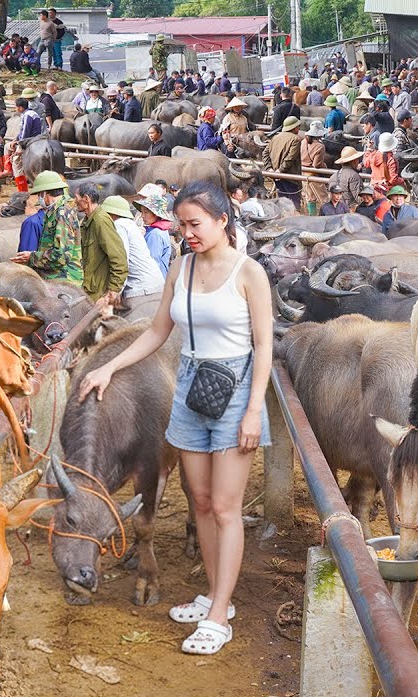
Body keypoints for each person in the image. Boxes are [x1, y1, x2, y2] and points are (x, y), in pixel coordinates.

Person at [77, 180, 271, 657]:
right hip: (188, 389)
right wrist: (109, 366)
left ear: (223, 221)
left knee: (226, 507)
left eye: (196, 224)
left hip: (235, 390)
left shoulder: (250, 274)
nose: (188, 233)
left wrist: (252, 410)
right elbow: (158, 331)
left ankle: (219, 614)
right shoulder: (180, 268)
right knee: (200, 501)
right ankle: (212, 594)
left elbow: (265, 346)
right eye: (182, 224)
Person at [102, 195, 164, 316]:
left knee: (135, 331)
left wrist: (114, 292)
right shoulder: (130, 224)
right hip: (153, 285)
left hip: (142, 290)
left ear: (112, 215)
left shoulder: (119, 226)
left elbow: (121, 260)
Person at [69, 181, 129, 303]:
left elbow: (119, 258)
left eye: (76, 198)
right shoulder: (88, 221)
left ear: (86, 199)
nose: (75, 202)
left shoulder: (100, 221)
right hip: (90, 290)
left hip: (99, 294)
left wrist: (112, 291)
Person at [263, 116, 302, 205]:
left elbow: (265, 153)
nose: (299, 128)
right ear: (294, 127)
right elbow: (290, 158)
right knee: (294, 202)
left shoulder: (275, 137)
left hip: (276, 176)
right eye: (298, 126)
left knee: (283, 201)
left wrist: (269, 169)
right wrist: (280, 170)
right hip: (290, 176)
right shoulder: (295, 139)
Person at [133, 192, 175, 276]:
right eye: (142, 212)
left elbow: (152, 263)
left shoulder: (155, 234)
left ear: (156, 214)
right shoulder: (161, 230)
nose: (142, 216)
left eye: (146, 212)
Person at [301, 121, 329, 208]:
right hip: (313, 174)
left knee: (310, 197)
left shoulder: (303, 142)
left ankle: (311, 215)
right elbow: (316, 164)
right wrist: (325, 166)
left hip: (303, 172)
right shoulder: (320, 146)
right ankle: (329, 216)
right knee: (324, 198)